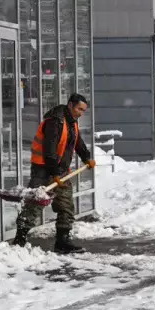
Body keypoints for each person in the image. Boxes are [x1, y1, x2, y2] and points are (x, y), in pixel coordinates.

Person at [14, 93, 95, 253]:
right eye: (79, 109)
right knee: (35, 204)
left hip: (61, 171)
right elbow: (49, 150)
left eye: (83, 110)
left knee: (66, 205)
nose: (81, 113)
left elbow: (77, 142)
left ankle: (62, 241)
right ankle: (20, 239)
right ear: (70, 105)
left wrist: (87, 157)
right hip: (43, 170)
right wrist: (54, 173)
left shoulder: (72, 122)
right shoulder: (55, 121)